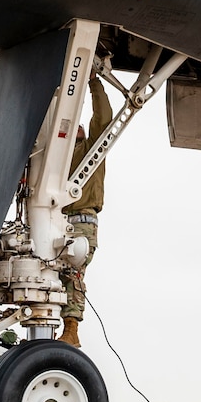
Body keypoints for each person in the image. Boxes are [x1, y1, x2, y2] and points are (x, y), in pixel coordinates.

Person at [59, 71, 114, 346]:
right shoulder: (55, 162)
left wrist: (94, 83)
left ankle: (71, 329)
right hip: (58, 223)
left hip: (82, 222)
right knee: (47, 275)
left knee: (72, 273)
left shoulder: (91, 151)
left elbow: (103, 120)